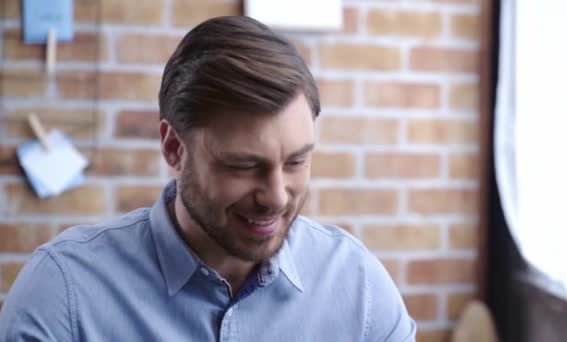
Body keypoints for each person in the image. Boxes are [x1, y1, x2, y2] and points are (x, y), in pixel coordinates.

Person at [0, 16, 417, 341]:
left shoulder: (358, 287)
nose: (275, 196)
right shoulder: (64, 293)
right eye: (243, 166)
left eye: (296, 162)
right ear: (173, 147)